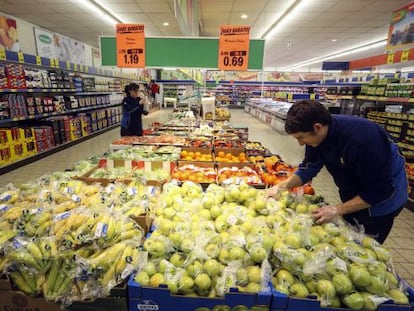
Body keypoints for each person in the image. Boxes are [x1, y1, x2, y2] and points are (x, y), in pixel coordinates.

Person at [266, 100, 408, 244]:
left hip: (382, 202)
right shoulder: (318, 137)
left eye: (301, 137)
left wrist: (337, 209)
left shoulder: (363, 140)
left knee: (364, 245)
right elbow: (309, 167)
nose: (300, 143)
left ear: (317, 127)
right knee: (348, 235)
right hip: (355, 190)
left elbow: (380, 191)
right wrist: (282, 187)